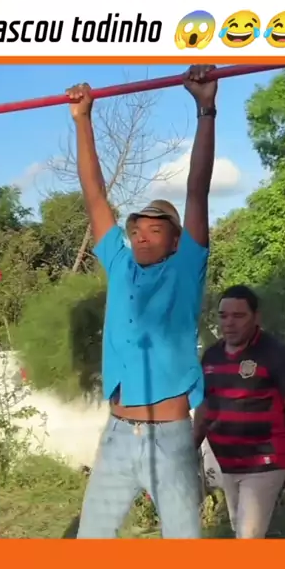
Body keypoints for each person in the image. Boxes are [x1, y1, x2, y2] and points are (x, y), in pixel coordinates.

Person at [67, 65, 217, 539]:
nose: (142, 236)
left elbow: (197, 190)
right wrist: (82, 119)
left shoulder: (185, 270)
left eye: (155, 229)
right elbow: (95, 195)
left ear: (175, 240)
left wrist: (206, 109)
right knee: (91, 540)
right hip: (116, 434)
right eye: (136, 229)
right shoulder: (120, 265)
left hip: (169, 438)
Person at [194, 285, 285, 539]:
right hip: (228, 463)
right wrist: (188, 449)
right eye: (223, 316)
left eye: (238, 316)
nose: (229, 323)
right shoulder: (212, 357)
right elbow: (205, 408)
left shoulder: (277, 356)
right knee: (242, 531)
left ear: (256, 317)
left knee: (247, 536)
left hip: (265, 461)